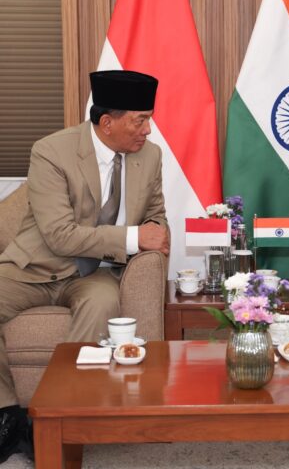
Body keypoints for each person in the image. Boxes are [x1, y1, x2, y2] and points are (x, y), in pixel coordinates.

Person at [0, 70, 170, 463]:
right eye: (140, 120)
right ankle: (9, 416)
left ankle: (61, 415)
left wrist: (155, 231)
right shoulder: (51, 151)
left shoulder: (150, 155)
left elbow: (155, 215)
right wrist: (134, 238)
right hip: (34, 266)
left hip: (95, 273)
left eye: (149, 119)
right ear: (107, 122)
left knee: (103, 305)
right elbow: (59, 235)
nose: (148, 130)